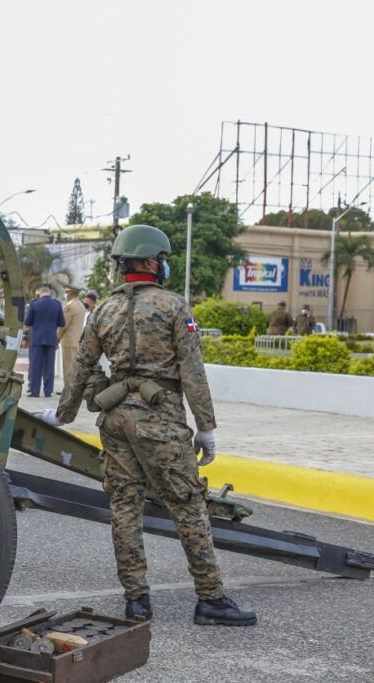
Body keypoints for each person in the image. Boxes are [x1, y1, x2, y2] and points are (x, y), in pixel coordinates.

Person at [39, 224, 256, 627]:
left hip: (116, 418)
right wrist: (206, 427)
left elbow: (82, 367)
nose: (166, 264)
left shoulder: (102, 309)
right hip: (160, 420)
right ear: (153, 260)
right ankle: (210, 599)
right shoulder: (174, 306)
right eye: (164, 258)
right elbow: (192, 370)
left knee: (125, 507)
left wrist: (63, 414)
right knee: (188, 507)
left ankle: (136, 601)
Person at [23, 284, 66, 397]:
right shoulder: (57, 305)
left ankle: (34, 391)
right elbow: (62, 323)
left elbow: (27, 322)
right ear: (49, 293)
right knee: (49, 366)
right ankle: (48, 391)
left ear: (40, 293)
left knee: (35, 365)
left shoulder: (34, 304)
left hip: (36, 339)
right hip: (51, 339)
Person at [59, 285, 86, 382]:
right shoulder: (81, 305)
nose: (66, 295)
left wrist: (57, 337)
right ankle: (72, 388)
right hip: (77, 340)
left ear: (71, 293)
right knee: (74, 366)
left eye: (67, 293)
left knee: (68, 367)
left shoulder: (70, 306)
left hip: (68, 341)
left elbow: (63, 325)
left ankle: (68, 389)